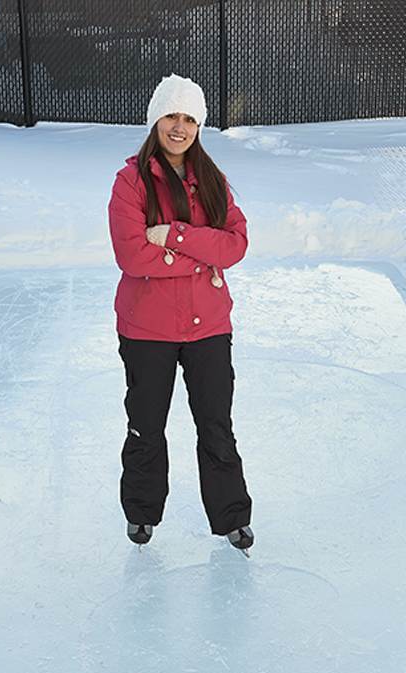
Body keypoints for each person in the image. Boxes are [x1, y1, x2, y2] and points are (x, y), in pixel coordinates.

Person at [108, 74, 254, 552]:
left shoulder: (212, 180)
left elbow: (235, 245)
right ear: (156, 120)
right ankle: (141, 511)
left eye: (190, 118)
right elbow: (132, 256)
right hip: (146, 328)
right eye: (172, 115)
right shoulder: (130, 182)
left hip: (208, 326)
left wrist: (174, 236)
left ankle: (232, 516)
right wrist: (202, 256)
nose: (180, 127)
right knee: (146, 426)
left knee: (216, 425)